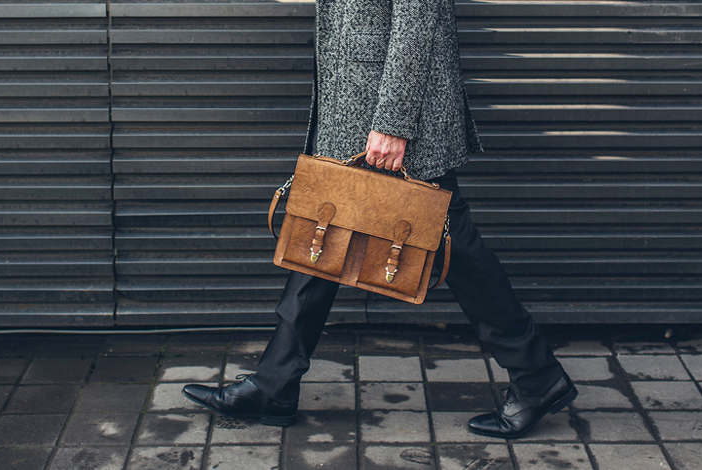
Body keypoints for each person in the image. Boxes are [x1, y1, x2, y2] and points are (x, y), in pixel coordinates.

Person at [182, 0, 576, 439]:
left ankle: (537, 375)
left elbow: (417, 17)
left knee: (452, 245)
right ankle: (275, 383)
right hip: (357, 102)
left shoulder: (393, 118)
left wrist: (393, 121)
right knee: (326, 233)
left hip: (389, 115)